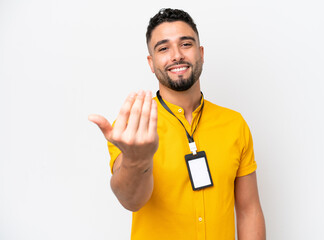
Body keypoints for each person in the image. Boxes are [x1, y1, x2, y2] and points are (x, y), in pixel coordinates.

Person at [89, 8, 266, 240]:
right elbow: (130, 200)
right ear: (151, 63)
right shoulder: (133, 128)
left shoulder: (234, 124)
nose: (176, 55)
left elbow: (248, 211)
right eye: (163, 48)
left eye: (186, 44)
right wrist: (137, 159)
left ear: (200, 53)